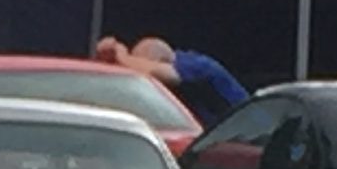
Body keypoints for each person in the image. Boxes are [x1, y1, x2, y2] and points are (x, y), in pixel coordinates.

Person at [99, 33, 250, 128]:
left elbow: (166, 75)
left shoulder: (198, 65)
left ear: (162, 61)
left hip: (250, 133)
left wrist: (122, 57)